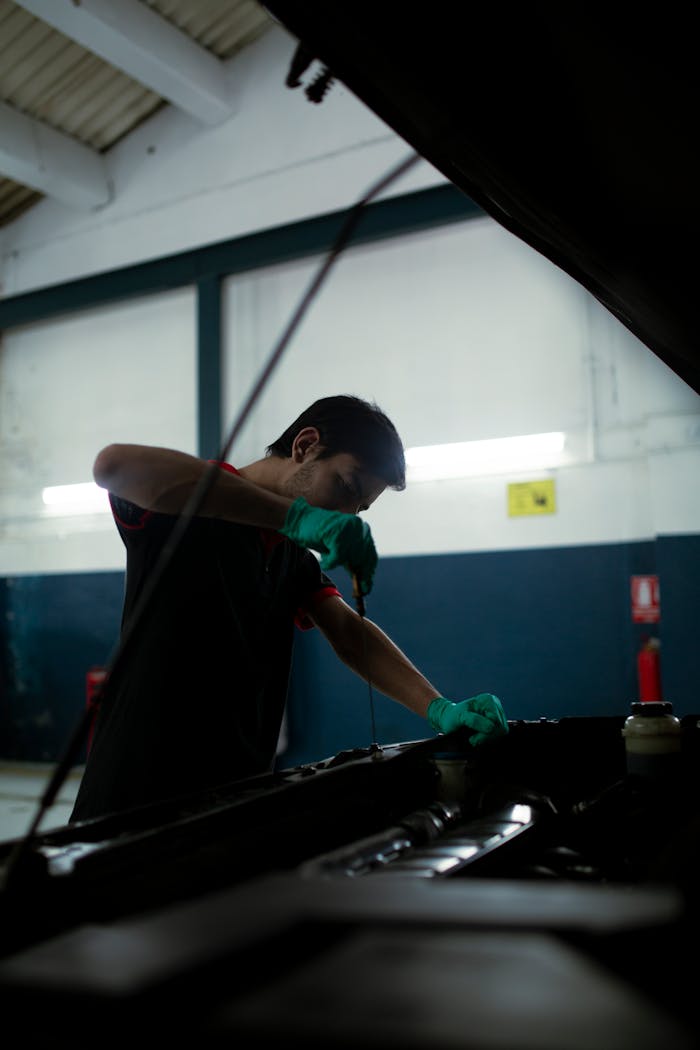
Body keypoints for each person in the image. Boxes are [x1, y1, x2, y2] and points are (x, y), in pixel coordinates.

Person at [70, 395, 507, 822]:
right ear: (304, 446)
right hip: (133, 800)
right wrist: (295, 518)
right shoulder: (188, 505)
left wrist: (438, 708)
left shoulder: (290, 556)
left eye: (359, 508)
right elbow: (112, 466)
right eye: (346, 487)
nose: (346, 514)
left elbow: (348, 633)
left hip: (233, 801)